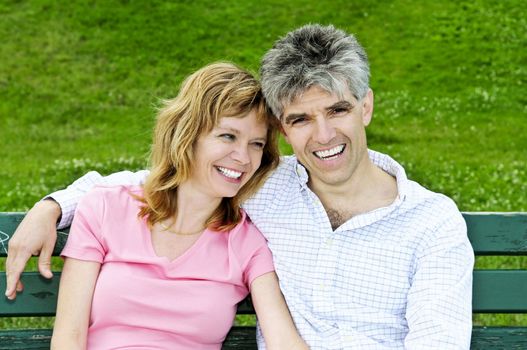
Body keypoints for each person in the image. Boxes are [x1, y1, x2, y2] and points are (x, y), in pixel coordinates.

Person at [6, 24, 474, 349]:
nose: (324, 135)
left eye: (337, 110)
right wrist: (53, 206)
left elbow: (439, 342)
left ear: (365, 107)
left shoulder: (431, 221)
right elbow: (156, 181)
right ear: (283, 131)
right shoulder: (263, 186)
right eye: (300, 120)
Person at [46, 62, 307, 349]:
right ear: (187, 135)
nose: (243, 158)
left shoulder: (246, 242)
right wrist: (48, 208)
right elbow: (68, 337)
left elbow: (282, 338)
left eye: (256, 144)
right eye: (228, 136)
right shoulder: (106, 207)